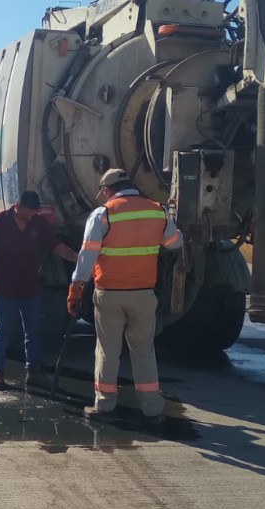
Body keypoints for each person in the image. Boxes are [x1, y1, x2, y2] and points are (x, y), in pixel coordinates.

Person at [67, 168, 182, 425]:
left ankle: (105, 406)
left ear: (108, 190)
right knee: (143, 351)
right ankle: (152, 410)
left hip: (109, 294)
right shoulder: (157, 210)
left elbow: (87, 257)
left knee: (108, 351)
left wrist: (76, 287)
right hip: (143, 294)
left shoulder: (104, 214)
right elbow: (175, 242)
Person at [0, 190, 78, 390]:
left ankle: (33, 372)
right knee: (3, 330)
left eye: (34, 212)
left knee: (32, 331)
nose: (31, 215)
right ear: (17, 206)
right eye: (28, 212)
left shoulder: (39, 223)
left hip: (30, 288)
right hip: (4, 288)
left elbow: (57, 247)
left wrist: (79, 259)